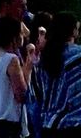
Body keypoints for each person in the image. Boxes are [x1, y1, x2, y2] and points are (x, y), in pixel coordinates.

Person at [0, 16, 34, 138]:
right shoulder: (11, 60)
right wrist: (28, 68)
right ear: (14, 37)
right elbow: (21, 94)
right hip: (9, 125)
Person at [35, 10, 81, 138]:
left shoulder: (45, 57)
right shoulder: (77, 56)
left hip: (48, 123)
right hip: (72, 123)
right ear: (73, 31)